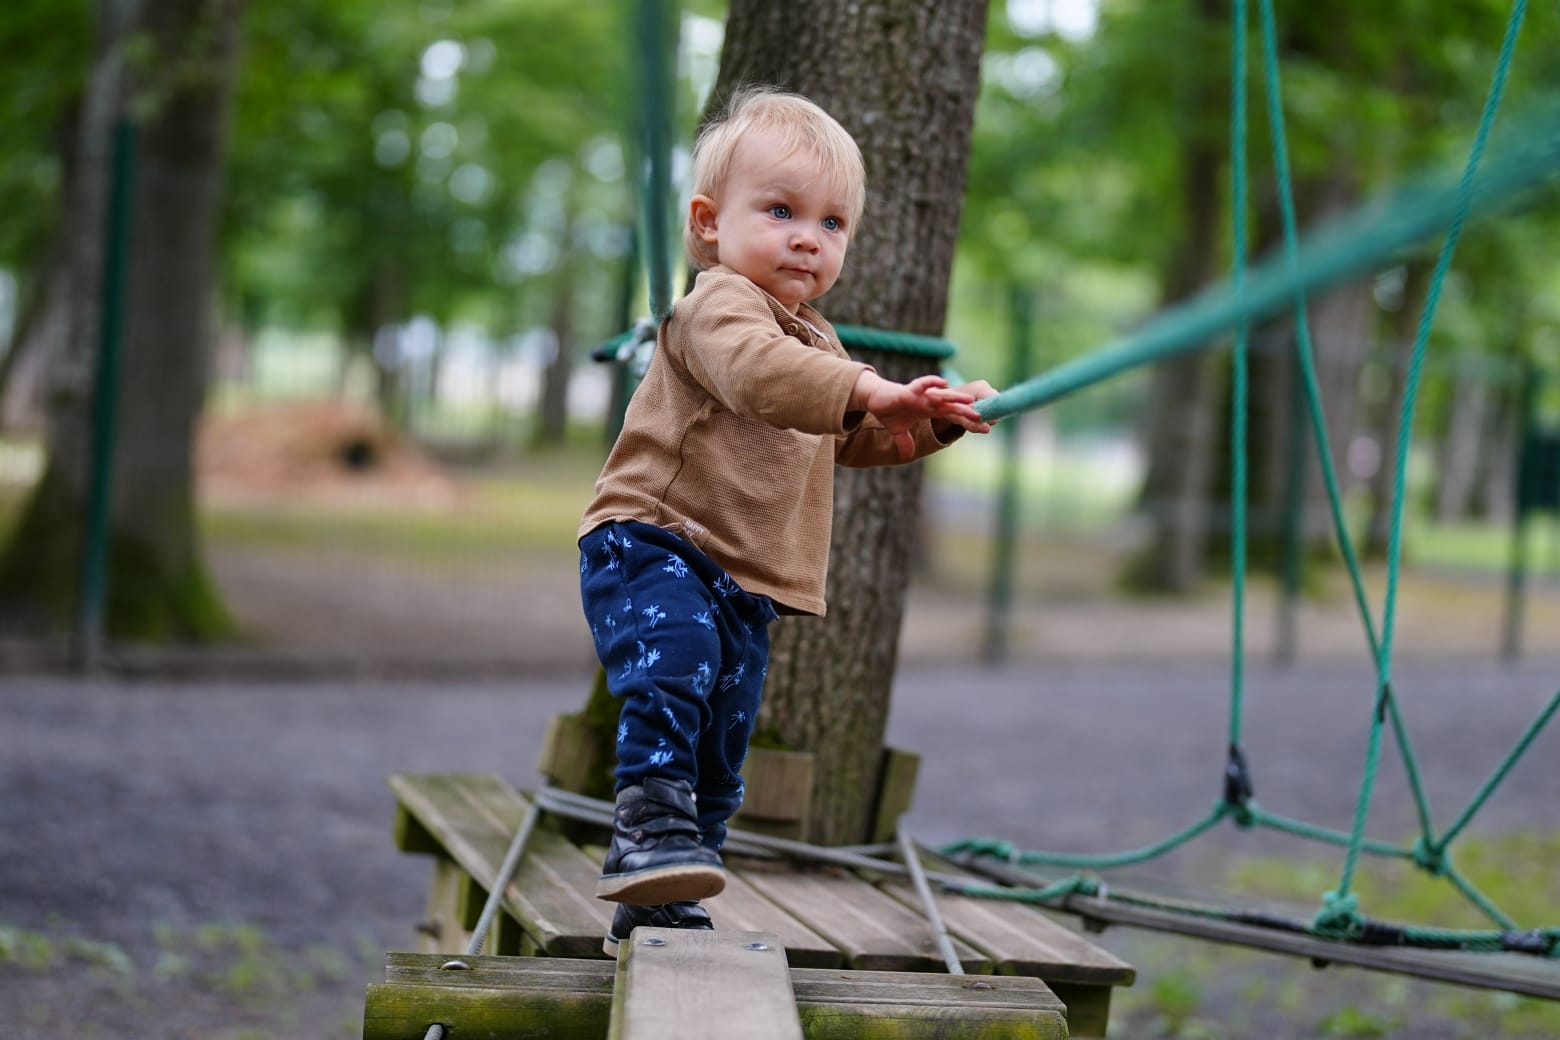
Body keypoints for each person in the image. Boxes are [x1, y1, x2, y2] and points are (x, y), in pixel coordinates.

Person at [577, 86, 995, 953]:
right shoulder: (717, 306)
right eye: (781, 211)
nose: (809, 237)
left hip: (742, 577)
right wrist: (870, 389)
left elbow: (851, 441)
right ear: (709, 222)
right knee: (675, 673)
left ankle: (664, 890)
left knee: (727, 737)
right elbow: (759, 377)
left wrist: (934, 424)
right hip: (656, 540)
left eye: (833, 223)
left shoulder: (821, 345)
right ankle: (645, 832)